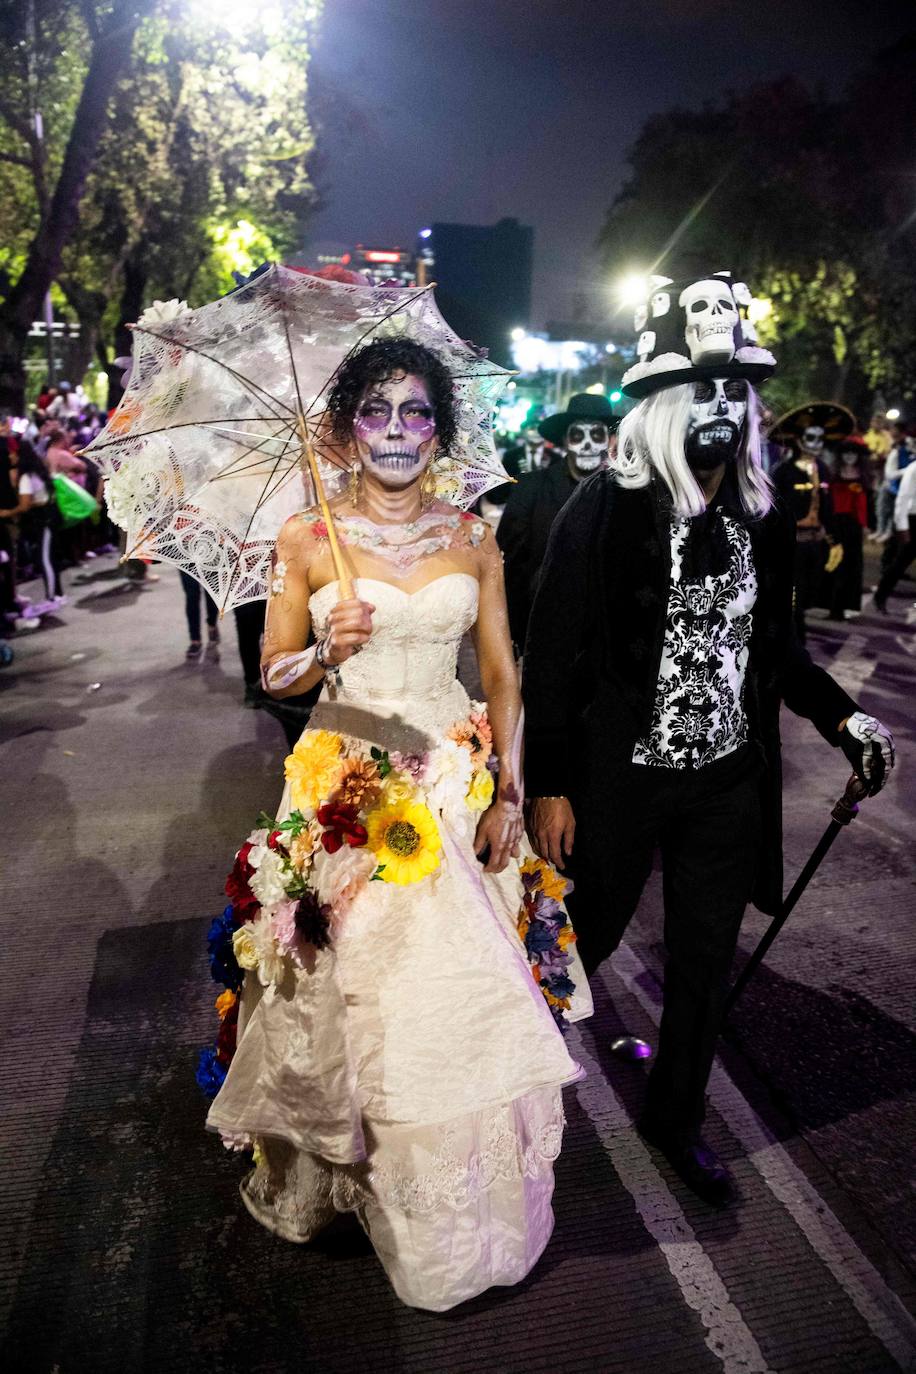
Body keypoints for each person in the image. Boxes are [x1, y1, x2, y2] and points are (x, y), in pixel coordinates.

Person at [203, 337, 592, 1311]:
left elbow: (499, 671)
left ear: (438, 431)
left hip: (454, 786)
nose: (395, 430)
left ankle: (466, 1216)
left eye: (415, 412)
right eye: (375, 411)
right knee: (363, 995)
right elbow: (274, 672)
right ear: (345, 429)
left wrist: (509, 791)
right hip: (349, 784)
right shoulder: (306, 537)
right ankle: (366, 1184)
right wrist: (321, 652)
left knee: (464, 994)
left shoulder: (474, 536)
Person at [523, 272, 895, 1207]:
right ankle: (511, 1104)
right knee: (575, 945)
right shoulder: (604, 509)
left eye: (735, 390)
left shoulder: (760, 521)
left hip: (726, 781)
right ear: (662, 404)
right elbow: (552, 659)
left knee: (702, 961)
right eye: (702, 389)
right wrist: (550, 785)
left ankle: (676, 1117)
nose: (721, 406)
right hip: (621, 780)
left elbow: (779, 653)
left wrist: (845, 720)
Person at [497, 392, 618, 651]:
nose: (587, 445)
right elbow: (511, 568)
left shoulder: (625, 493)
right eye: (578, 436)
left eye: (597, 435)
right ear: (565, 440)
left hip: (605, 641)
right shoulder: (531, 488)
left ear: (608, 440)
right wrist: (513, 634)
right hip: (545, 634)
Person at [769, 403, 854, 641]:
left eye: (821, 438)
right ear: (798, 439)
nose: (817, 444)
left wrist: (834, 542)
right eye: (811, 437)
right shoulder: (782, 472)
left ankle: (795, 633)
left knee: (808, 593)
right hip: (791, 544)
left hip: (814, 543)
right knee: (792, 595)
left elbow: (828, 509)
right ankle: (795, 640)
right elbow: (773, 511)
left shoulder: (823, 470)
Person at [0, 440, 66, 612]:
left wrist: (6, 513)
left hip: (43, 520)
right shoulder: (38, 472)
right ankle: (57, 594)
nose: (10, 457)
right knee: (50, 558)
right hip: (51, 516)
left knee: (44, 559)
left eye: (12, 453)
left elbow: (24, 505)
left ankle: (52, 597)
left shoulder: (26, 477)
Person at [825, 436, 870, 620]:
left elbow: (864, 504)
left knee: (851, 566)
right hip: (835, 523)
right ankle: (833, 608)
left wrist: (864, 525)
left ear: (858, 456)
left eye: (853, 453)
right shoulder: (832, 474)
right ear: (841, 455)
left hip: (853, 526)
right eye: (846, 453)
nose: (850, 456)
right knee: (834, 563)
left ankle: (845, 607)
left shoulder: (863, 476)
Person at [873, 456, 916, 613]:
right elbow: (903, 499)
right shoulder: (913, 469)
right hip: (912, 520)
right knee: (899, 563)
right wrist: (903, 527)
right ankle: (880, 597)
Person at [179, 570, 219, 658]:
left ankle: (212, 624)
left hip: (210, 561)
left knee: (212, 592)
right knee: (191, 595)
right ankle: (195, 639)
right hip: (186, 562)